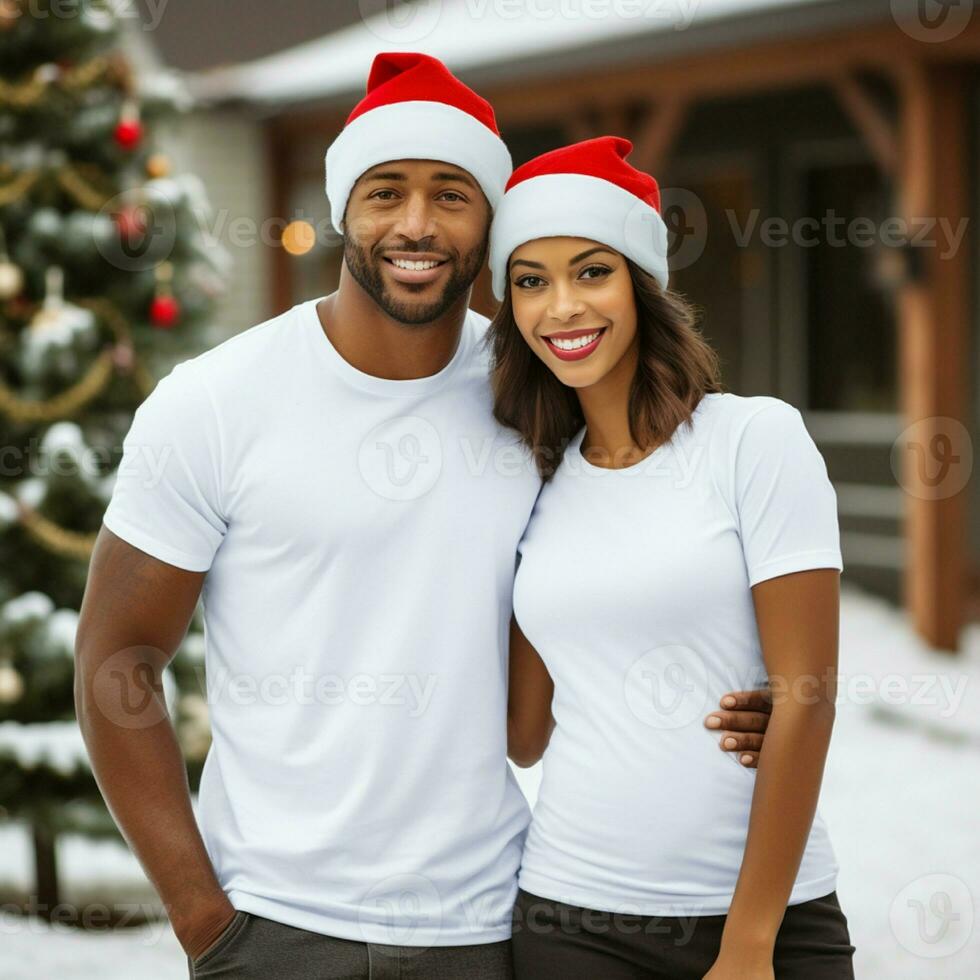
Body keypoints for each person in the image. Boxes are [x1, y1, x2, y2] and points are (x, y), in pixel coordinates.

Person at [75, 55, 772, 980]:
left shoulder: (541, 394)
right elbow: (115, 658)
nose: (415, 224)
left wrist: (745, 698)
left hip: (489, 926)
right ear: (342, 210)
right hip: (274, 927)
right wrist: (206, 919)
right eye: (385, 192)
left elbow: (643, 571)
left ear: (491, 224)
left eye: (452, 195)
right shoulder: (214, 403)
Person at [487, 136, 856, 979]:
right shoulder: (533, 485)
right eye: (530, 282)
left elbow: (808, 694)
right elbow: (524, 733)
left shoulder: (753, 440)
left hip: (766, 918)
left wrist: (749, 942)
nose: (562, 308)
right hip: (569, 917)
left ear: (642, 284)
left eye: (591, 271)